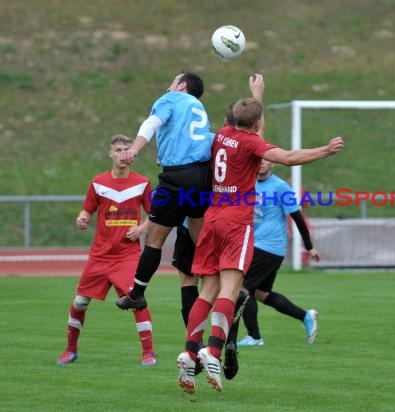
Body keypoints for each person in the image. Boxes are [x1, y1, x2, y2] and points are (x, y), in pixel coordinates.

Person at [176, 73, 344, 394]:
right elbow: (289, 157)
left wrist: (255, 95)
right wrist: (325, 150)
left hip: (211, 219)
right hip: (237, 223)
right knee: (230, 288)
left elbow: (252, 129)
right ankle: (212, 351)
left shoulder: (223, 134)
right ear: (255, 125)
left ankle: (189, 348)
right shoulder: (252, 141)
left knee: (207, 289)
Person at [115, 71, 214, 312]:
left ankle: (137, 293)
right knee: (200, 238)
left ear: (181, 86)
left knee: (155, 239)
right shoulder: (199, 108)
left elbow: (151, 124)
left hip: (177, 178)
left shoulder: (170, 99)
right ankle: (222, 283)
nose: (169, 85)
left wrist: (135, 149)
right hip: (203, 177)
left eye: (173, 81)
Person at [57, 135, 156, 366]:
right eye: (118, 150)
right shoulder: (98, 182)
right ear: (110, 154)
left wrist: (141, 229)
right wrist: (82, 219)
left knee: (137, 300)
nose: (123, 154)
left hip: (127, 255)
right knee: (80, 302)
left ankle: (149, 353)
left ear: (132, 154)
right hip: (100, 254)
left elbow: (155, 216)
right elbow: (87, 211)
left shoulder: (142, 182)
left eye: (126, 150)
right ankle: (70, 350)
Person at [227, 159, 320, 349]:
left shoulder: (280, 187)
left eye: (265, 160)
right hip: (255, 244)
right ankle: (305, 316)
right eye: (258, 160)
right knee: (262, 294)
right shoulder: (248, 183)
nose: (260, 163)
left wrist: (309, 246)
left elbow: (297, 218)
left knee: (243, 289)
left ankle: (254, 336)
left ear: (273, 164)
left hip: (270, 246)